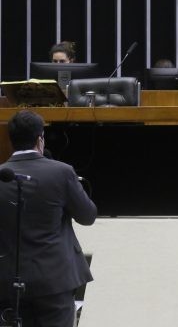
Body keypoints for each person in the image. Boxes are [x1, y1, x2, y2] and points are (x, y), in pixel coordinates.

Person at [0, 110, 97, 327]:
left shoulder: (2, 175)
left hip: (8, 280)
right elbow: (87, 216)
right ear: (40, 139)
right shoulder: (61, 172)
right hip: (55, 281)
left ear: (11, 140)